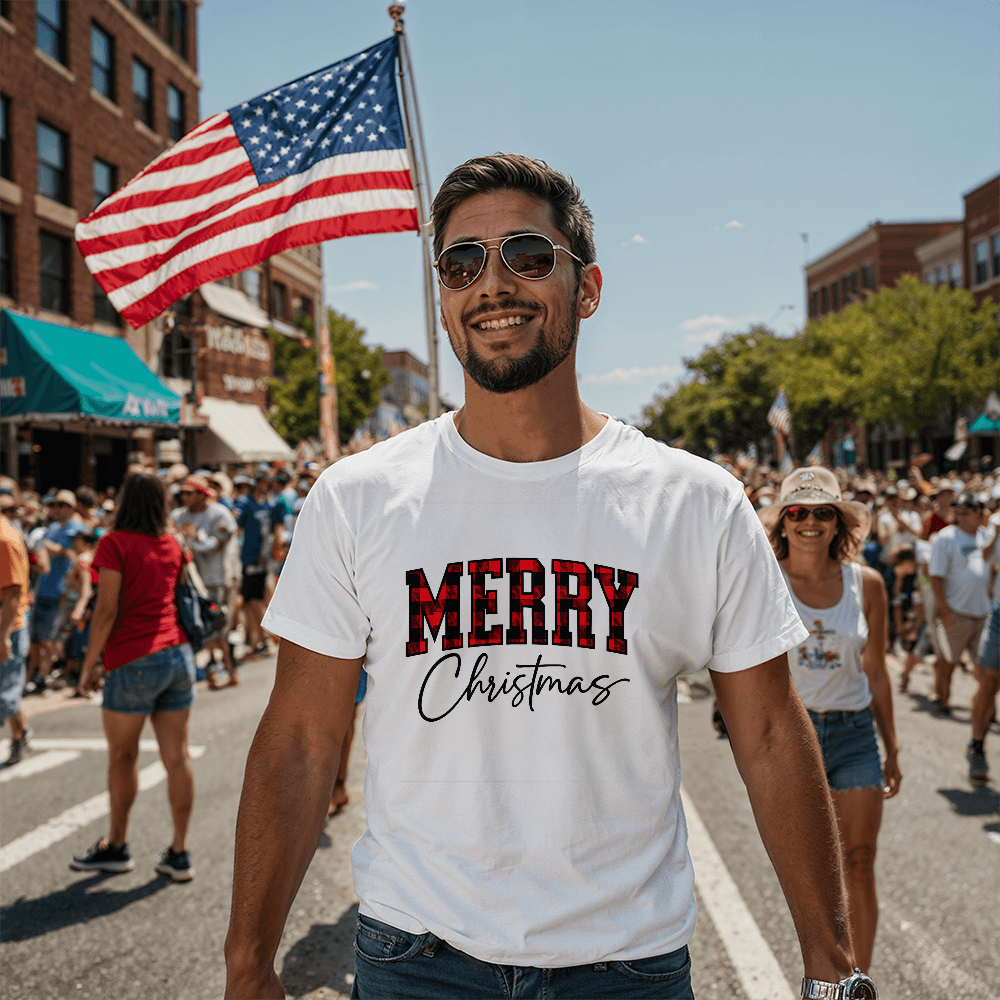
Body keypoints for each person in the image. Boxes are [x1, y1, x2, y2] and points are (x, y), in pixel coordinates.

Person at [225, 154, 869, 1000]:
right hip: (414, 961)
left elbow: (773, 735)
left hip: (627, 966)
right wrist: (246, 964)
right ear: (443, 296)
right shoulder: (357, 498)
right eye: (462, 263)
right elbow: (303, 741)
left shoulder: (696, 503)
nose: (491, 284)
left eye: (527, 255)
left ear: (587, 286)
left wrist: (832, 965)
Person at [762, 466, 901, 972]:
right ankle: (825, 972)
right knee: (812, 877)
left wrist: (893, 746)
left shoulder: (868, 584)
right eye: (798, 511)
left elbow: (878, 671)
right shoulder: (765, 578)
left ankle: (857, 980)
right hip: (795, 737)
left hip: (854, 733)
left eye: (824, 512)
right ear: (783, 523)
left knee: (860, 862)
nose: (810, 522)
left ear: (839, 522)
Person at [70, 471, 197, 882]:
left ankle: (117, 846)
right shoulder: (175, 543)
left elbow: (106, 609)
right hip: (177, 654)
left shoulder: (114, 543)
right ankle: (180, 852)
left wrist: (89, 665)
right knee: (176, 757)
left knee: (122, 756)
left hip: (133, 657)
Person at [928, 492, 993, 716]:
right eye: (957, 513)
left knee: (987, 668)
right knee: (948, 663)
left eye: (965, 513)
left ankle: (984, 707)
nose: (960, 517)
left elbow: (991, 568)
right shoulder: (945, 538)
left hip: (983, 613)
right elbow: (935, 577)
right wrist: (944, 611)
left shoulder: (987, 536)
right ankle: (943, 699)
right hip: (957, 612)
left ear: (979, 514)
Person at [171, 476, 239, 687]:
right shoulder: (178, 515)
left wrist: (195, 536)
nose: (184, 497)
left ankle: (229, 670)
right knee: (200, 628)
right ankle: (212, 671)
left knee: (216, 626)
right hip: (189, 581)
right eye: (182, 493)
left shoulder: (219, 514)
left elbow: (216, 546)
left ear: (201, 494)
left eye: (189, 493)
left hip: (214, 579)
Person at [27, 490, 82, 692]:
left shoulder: (77, 529)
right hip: (42, 588)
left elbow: (77, 554)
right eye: (54, 505)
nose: (56, 509)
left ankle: (44, 676)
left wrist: (53, 548)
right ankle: (33, 675)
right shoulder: (49, 528)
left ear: (71, 508)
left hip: (61, 591)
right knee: (34, 638)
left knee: (49, 638)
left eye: (61, 505)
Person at [234, 472, 282, 659]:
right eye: (265, 483)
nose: (267, 487)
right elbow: (238, 528)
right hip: (249, 558)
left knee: (254, 601)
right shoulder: (247, 504)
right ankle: (260, 640)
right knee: (250, 602)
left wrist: (268, 553)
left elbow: (270, 533)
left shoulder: (267, 504)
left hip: (259, 560)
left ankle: (264, 640)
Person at [967, 504, 999, 784]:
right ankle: (977, 745)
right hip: (999, 615)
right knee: (988, 684)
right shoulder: (996, 525)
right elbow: (985, 561)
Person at [1, 506, 32, 765]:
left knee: (5, 694)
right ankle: (20, 734)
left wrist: (3, 635)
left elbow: (12, 592)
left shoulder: (4, 538)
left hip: (8, 626)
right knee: (7, 690)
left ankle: (19, 736)